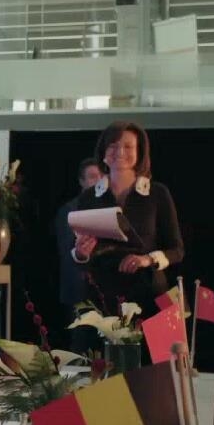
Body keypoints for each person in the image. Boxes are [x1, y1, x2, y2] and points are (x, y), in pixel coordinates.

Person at [72, 121, 184, 318]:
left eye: (128, 146)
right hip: (102, 298)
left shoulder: (157, 193)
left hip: (148, 294)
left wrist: (147, 259)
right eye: (113, 146)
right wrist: (81, 253)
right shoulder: (89, 197)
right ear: (103, 151)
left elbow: (177, 250)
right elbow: (78, 257)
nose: (120, 152)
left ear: (140, 152)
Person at [54, 158, 103, 352]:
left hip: (104, 291)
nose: (98, 181)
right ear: (81, 181)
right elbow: (66, 252)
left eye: (102, 176)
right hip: (79, 291)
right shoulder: (69, 211)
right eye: (92, 177)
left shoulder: (110, 207)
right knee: (81, 348)